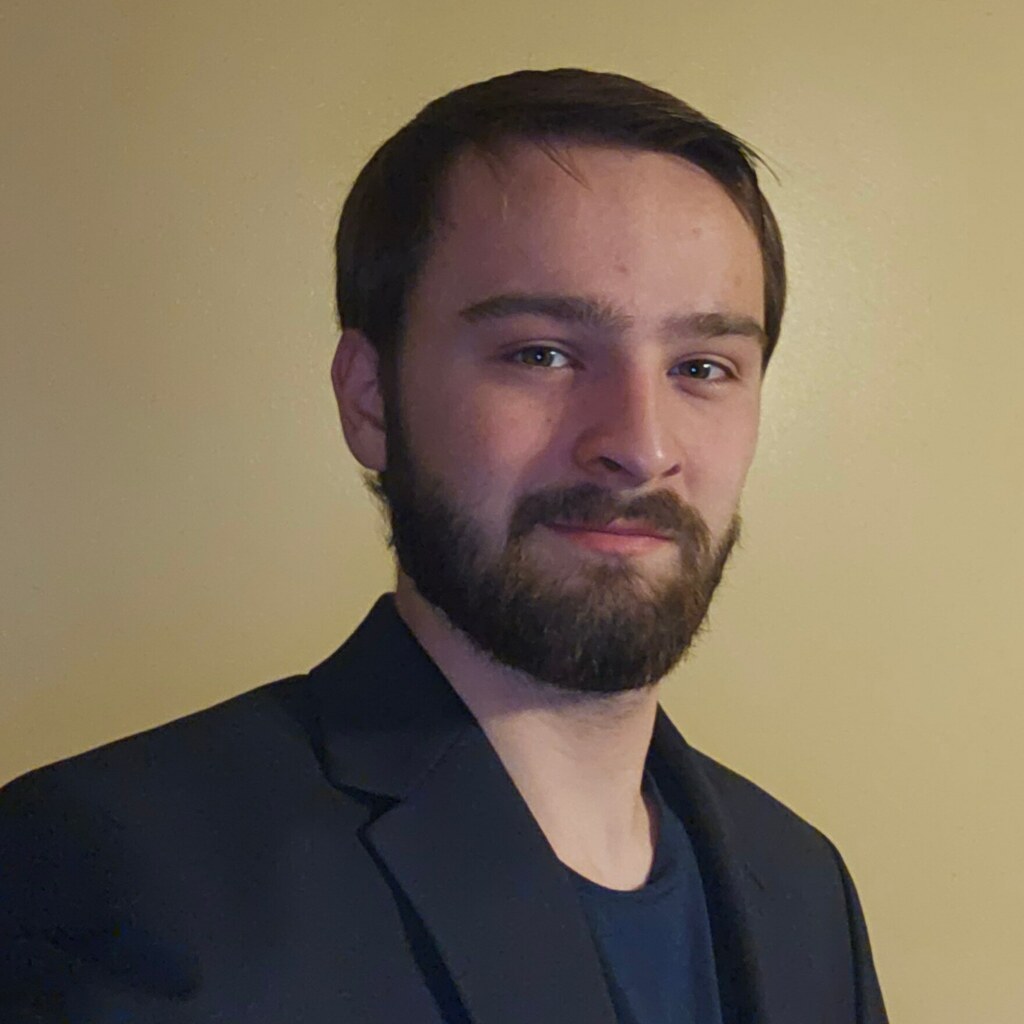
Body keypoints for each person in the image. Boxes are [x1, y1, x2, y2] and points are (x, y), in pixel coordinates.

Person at [0, 68, 888, 1023]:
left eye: (702, 367)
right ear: (370, 400)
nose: (641, 444)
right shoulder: (112, 879)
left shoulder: (804, 891)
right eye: (541, 353)